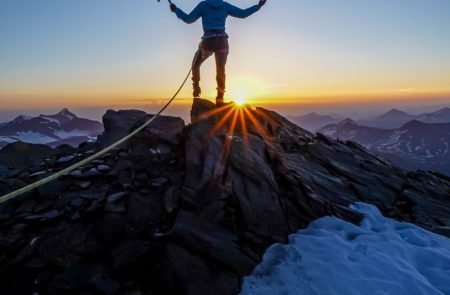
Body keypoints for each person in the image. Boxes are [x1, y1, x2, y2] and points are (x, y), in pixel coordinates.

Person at [169, 0, 267, 106]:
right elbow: (242, 14)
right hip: (222, 42)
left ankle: (196, 89)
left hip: (208, 42)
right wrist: (258, 6)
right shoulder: (224, 5)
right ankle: (220, 99)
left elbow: (189, 19)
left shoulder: (203, 5)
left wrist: (176, 10)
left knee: (195, 64)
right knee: (221, 70)